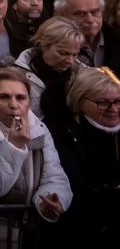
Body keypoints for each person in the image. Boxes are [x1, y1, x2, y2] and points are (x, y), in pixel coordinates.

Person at [0, 68, 71, 246]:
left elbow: (55, 177)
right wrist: (13, 145)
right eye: (4, 97)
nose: (14, 105)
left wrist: (50, 199)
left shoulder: (40, 129)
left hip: (28, 235)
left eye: (21, 97)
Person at [46, 66, 120, 243]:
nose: (114, 109)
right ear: (79, 101)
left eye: (118, 101)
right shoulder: (59, 133)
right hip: (79, 231)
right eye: (102, 102)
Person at [13, 16, 84, 122]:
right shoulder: (14, 77)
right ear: (43, 45)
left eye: (75, 55)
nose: (70, 61)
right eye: (63, 53)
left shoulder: (83, 74)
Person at [54, 0, 119, 70]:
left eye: (94, 12)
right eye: (80, 14)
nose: (90, 20)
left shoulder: (116, 38)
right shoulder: (51, 46)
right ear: (61, 14)